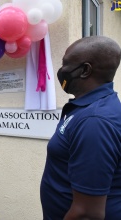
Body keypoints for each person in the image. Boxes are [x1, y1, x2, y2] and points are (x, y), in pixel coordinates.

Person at [40, 36, 121, 219]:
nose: (62, 71)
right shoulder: (88, 109)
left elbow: (87, 213)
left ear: (85, 70)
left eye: (66, 64)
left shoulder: (95, 121)